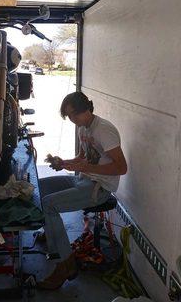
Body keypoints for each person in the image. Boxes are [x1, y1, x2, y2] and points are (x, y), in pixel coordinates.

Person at [37, 91, 127, 290]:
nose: (71, 120)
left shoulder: (104, 130)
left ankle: (65, 264)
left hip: (99, 188)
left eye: (73, 115)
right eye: (68, 116)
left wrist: (85, 168)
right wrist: (63, 163)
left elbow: (122, 167)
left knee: (49, 204)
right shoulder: (83, 128)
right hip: (83, 179)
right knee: (39, 188)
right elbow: (82, 157)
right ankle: (51, 231)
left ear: (86, 109)